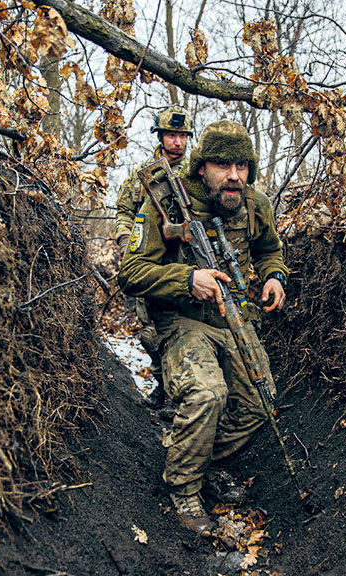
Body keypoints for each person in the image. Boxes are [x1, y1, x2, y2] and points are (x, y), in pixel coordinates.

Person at [117, 120, 289, 534]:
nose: (234, 176)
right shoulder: (166, 202)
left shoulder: (254, 203)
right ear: (200, 167)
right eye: (222, 165)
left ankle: (195, 456)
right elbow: (131, 271)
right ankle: (184, 488)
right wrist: (186, 280)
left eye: (242, 166)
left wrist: (274, 276)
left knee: (259, 402)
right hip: (181, 320)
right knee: (208, 393)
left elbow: (270, 250)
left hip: (234, 316)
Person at [114, 105, 193, 415]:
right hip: (151, 264)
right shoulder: (143, 175)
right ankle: (163, 385)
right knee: (151, 332)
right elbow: (123, 211)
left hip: (186, 265)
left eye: (182, 136)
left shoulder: (195, 173)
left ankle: (180, 394)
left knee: (182, 330)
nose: (177, 142)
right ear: (161, 137)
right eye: (171, 135)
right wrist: (126, 241)